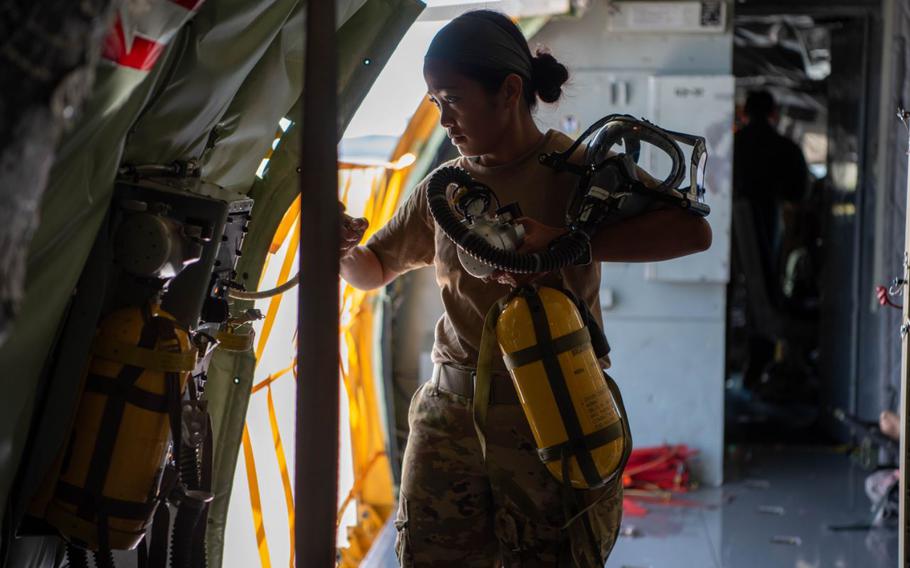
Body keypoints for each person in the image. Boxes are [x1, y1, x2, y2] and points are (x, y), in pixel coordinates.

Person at [340, 10, 712, 566]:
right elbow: (372, 271)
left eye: (453, 99)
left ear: (509, 91)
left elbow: (693, 231)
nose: (444, 121)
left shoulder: (582, 172)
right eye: (435, 104)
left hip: (551, 413)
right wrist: (339, 248)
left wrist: (569, 240)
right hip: (451, 417)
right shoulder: (444, 189)